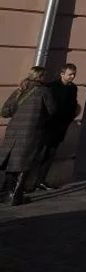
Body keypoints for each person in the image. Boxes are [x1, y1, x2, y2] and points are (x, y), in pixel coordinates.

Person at [0, 66, 56, 205]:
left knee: (12, 161)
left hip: (13, 130)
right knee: (23, 163)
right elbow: (52, 111)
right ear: (41, 77)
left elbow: (5, 112)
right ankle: (15, 196)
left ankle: (6, 193)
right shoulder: (44, 91)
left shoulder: (20, 90)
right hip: (31, 132)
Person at [33, 63, 80, 191]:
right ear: (62, 74)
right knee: (38, 154)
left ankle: (41, 180)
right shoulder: (51, 87)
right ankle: (30, 181)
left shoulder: (73, 88)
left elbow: (73, 105)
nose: (72, 77)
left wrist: (70, 117)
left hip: (61, 127)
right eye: (70, 74)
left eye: (74, 74)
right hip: (47, 126)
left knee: (51, 155)